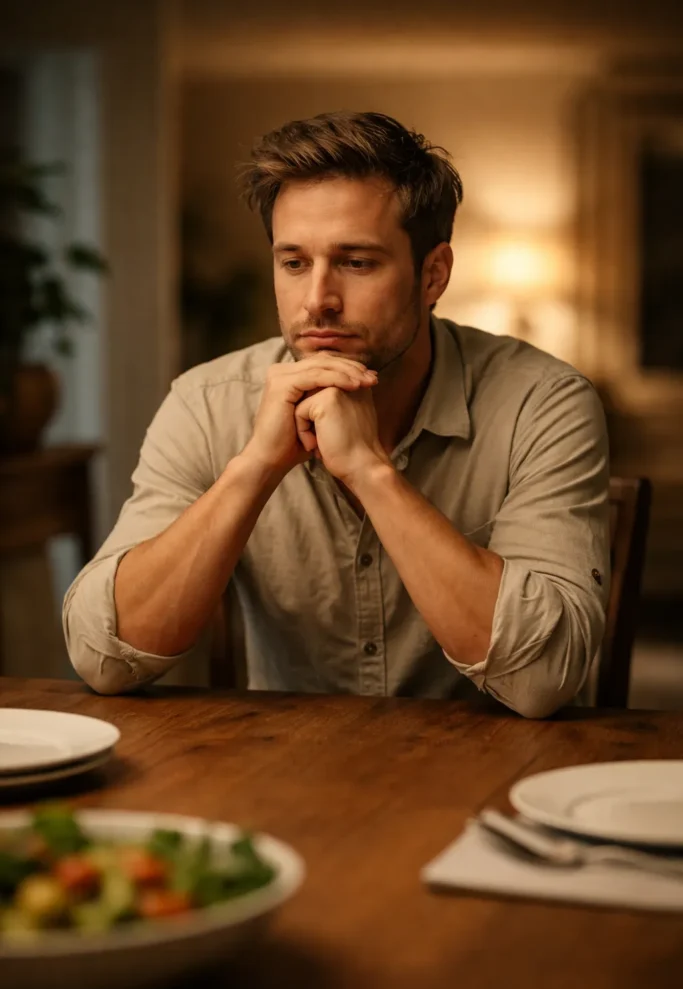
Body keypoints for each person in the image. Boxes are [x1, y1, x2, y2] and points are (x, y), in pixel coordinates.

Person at [63, 111, 610, 717]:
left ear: (433, 275)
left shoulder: (544, 403)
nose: (317, 299)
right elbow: (103, 659)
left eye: (356, 262)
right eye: (293, 262)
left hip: (498, 775)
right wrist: (256, 466)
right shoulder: (206, 402)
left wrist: (370, 473)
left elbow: (543, 679)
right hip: (286, 777)